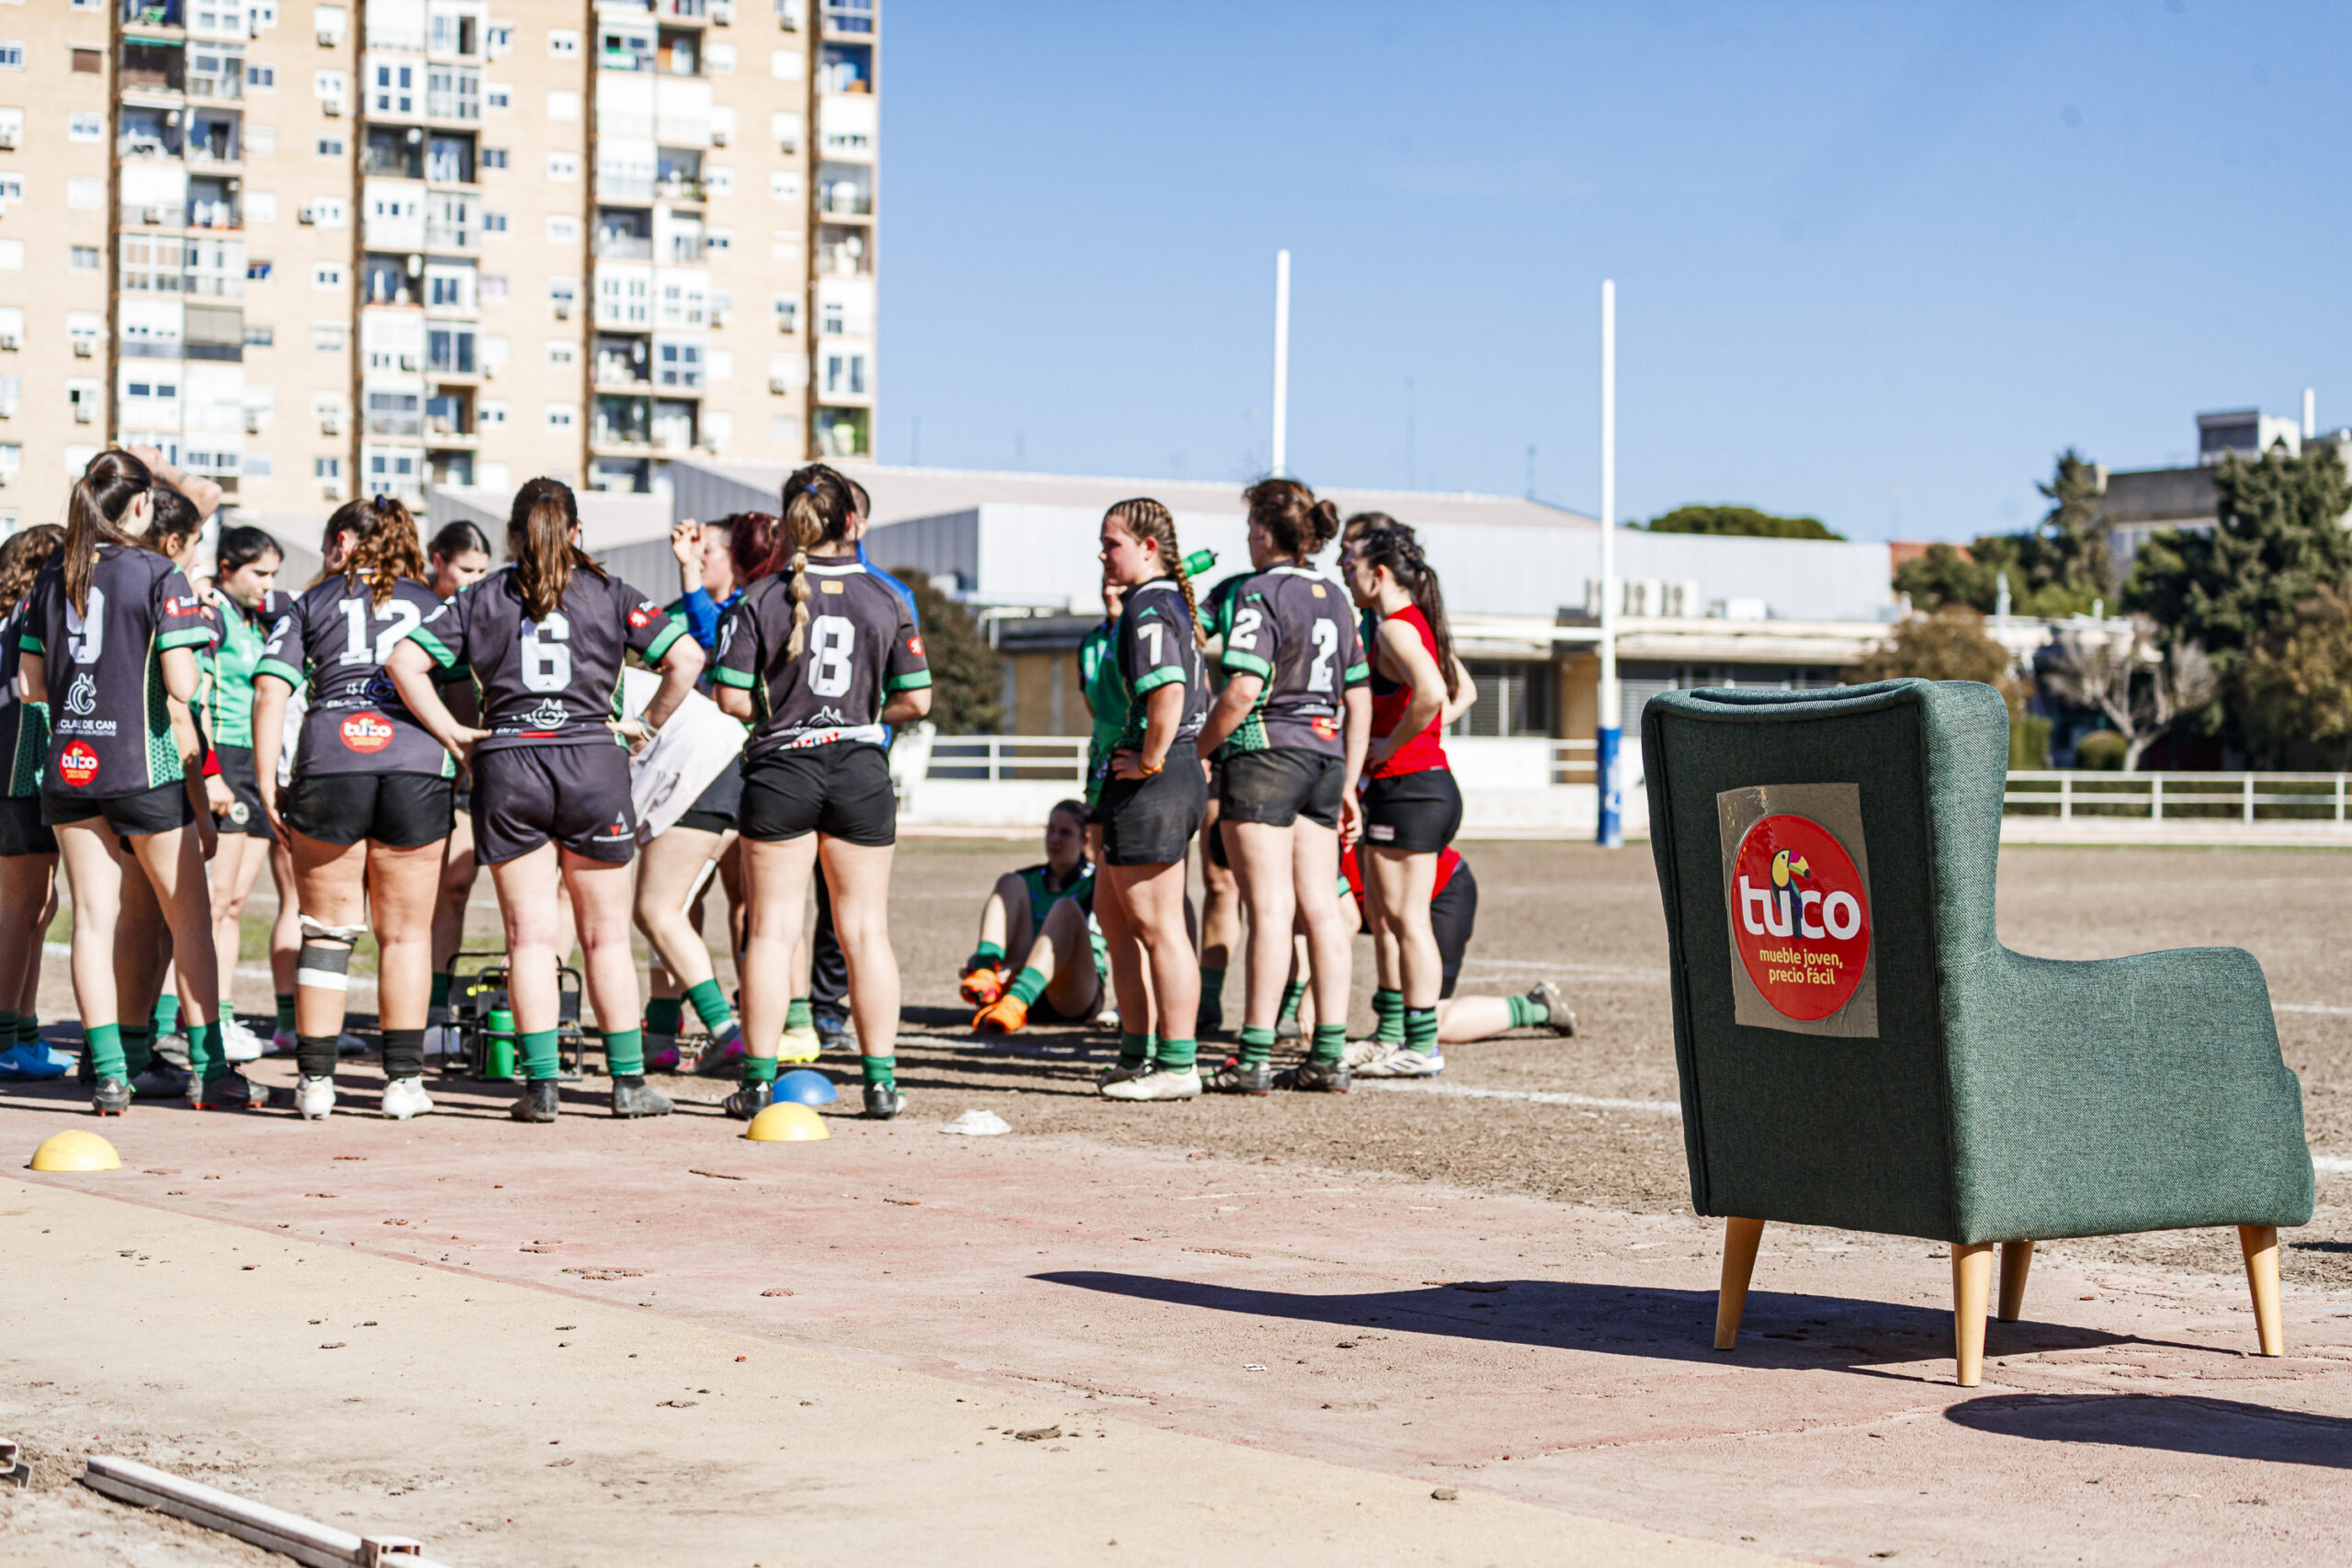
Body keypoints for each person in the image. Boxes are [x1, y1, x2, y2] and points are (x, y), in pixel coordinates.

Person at [390, 478, 702, 1122]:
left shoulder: (482, 595)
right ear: (578, 532)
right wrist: (645, 725)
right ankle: (626, 1084)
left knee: (529, 936)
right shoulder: (611, 593)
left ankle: (541, 1087)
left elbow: (403, 660)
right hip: (592, 759)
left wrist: (450, 732)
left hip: (509, 762)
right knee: (606, 934)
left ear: (511, 536)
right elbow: (687, 656)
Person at [708, 465, 931, 1121]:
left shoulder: (760, 597)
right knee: (865, 931)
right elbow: (915, 698)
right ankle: (882, 1083)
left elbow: (727, 696)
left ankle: (755, 1082)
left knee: (773, 931)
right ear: (852, 522)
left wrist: (786, 716)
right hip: (860, 768)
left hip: (781, 770)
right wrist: (856, 716)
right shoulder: (889, 595)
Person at [23, 449, 238, 1114]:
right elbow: (181, 684)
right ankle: (212, 1067)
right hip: (140, 767)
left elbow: (31, 687)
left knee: (92, 919)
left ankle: (111, 1073)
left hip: (70, 765)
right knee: (190, 921)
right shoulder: (158, 572)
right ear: (142, 506)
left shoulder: (55, 574)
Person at [253, 497, 466, 1121]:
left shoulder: (310, 601)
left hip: (330, 761)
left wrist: (266, 782)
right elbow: (464, 688)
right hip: (415, 763)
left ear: (343, 542)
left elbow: (271, 688)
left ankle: (316, 1082)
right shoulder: (433, 603)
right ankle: (402, 1083)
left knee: (325, 930)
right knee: (405, 934)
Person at [1197, 479, 1371, 1094]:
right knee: (1321, 909)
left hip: (1267, 754)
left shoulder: (1259, 591)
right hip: (1325, 759)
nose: (1248, 541)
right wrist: (1348, 777)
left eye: (1251, 531)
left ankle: (1251, 1056)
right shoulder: (1336, 598)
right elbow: (1358, 692)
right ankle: (1329, 1053)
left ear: (1267, 534)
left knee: (1268, 910)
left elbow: (1242, 689)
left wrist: (1199, 748)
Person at [1091, 498, 1212, 1101]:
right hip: (1150, 775)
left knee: (1160, 927)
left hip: (1157, 776)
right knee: (1118, 921)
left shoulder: (1147, 605)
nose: (1103, 554)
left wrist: (1150, 759)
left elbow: (1168, 690)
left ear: (1148, 546)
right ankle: (1137, 1055)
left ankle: (1178, 1062)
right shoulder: (1157, 602)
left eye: (1112, 542)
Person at [1342, 518, 1464, 1079]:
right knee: (1388, 918)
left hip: (1412, 788)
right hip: (1406, 787)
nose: (1343, 574)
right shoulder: (1400, 622)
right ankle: (1394, 1035)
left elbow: (1438, 694)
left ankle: (1422, 1044)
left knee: (1408, 919)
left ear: (1380, 572)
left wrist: (1390, 743)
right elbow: (1455, 692)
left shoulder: (1394, 627)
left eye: (1350, 565)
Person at [640, 513, 750, 1074]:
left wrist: (688, 575)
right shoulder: (670, 612)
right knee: (677, 906)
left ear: (734, 556)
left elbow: (711, 647)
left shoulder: (745, 607)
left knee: (745, 908)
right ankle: (663, 1026)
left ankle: (750, 1024)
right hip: (685, 773)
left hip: (719, 769)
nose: (699, 556)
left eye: (707, 550)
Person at [1323, 843, 1576, 1073]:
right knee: (1406, 1014)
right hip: (1387, 911)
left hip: (1441, 895)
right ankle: (1388, 1037)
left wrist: (1311, 997)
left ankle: (1538, 1008)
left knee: (1425, 1021)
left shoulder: (1317, 841)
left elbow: (1346, 922)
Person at [202, 525, 289, 1065]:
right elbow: (200, 692)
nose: (268, 584)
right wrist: (211, 771)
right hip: (225, 758)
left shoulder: (259, 617)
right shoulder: (210, 611)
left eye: (275, 574)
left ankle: (224, 1014)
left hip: (257, 761)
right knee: (214, 900)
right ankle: (200, 1020)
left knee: (234, 904)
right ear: (228, 568)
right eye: (260, 573)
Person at [422, 518, 492, 1058]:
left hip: (478, 765)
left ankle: (454, 1011)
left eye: (483, 572)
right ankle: (429, 1015)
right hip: (424, 766)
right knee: (439, 889)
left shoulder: (484, 609)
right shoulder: (420, 609)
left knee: (457, 883)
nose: (475, 580)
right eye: (466, 569)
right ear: (437, 559)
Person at [0, 525, 63, 1081]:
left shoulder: (15, 610)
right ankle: (7, 1041)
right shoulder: (36, 609)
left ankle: (24, 1033)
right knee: (23, 912)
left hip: (19, 771)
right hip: (22, 771)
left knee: (39, 908)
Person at [962, 799, 1107, 1033]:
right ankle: (984, 971)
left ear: (1085, 840)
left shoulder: (1097, 884)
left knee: (1066, 909)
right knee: (1009, 882)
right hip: (1022, 979)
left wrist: (1019, 967)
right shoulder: (1027, 878)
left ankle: (1015, 1001)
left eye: (1065, 833)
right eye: (1050, 830)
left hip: (1072, 994)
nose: (1054, 839)